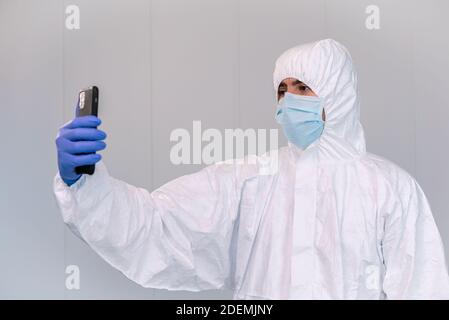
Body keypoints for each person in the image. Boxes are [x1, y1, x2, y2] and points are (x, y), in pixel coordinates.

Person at [53, 38, 449, 299]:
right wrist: (86, 186)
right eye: (282, 89)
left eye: (303, 88)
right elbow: (158, 227)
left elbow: (422, 288)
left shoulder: (389, 189)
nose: (288, 100)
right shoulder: (248, 181)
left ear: (338, 95)